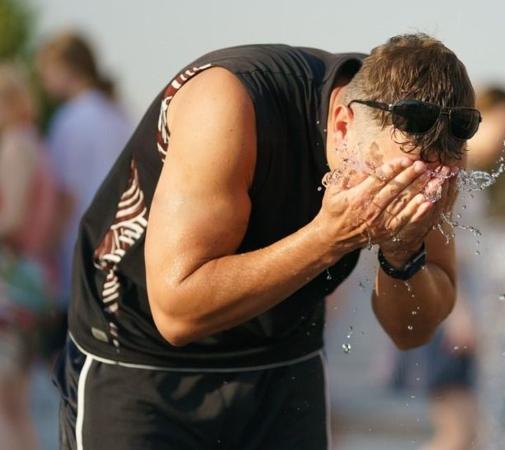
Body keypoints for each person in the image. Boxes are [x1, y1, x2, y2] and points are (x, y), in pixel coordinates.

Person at [53, 34, 478, 450]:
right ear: (344, 124)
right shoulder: (229, 103)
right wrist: (328, 238)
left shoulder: (430, 152)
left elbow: (410, 332)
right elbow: (177, 313)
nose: (403, 194)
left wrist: (402, 259)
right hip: (141, 356)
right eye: (388, 181)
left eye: (423, 182)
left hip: (283, 358)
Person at [390, 87, 505, 450]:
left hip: (450, 311)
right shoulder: (449, 175)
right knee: (457, 434)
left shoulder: (465, 177)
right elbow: (438, 249)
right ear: (478, 118)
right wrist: (459, 316)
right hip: (447, 315)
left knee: (468, 434)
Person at [36, 31, 132, 324]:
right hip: (121, 248)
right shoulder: (118, 113)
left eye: (46, 71)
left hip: (78, 251)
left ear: (65, 68)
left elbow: (65, 196)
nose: (43, 80)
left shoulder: (71, 120)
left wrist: (44, 248)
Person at [0, 63, 59, 450]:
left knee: (5, 405)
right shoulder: (35, 143)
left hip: (12, 281)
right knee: (15, 404)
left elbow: (13, 220)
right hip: (33, 278)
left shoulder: (16, 146)